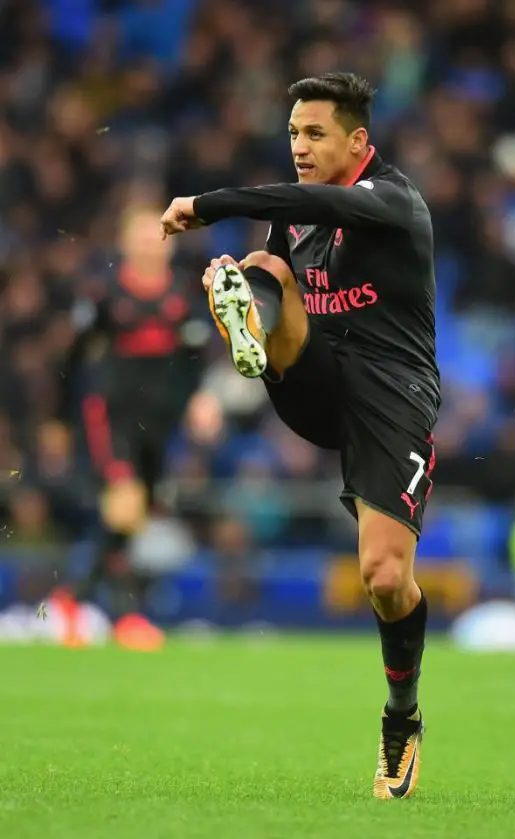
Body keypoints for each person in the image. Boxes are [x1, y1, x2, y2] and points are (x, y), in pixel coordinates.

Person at [161, 72, 440, 799]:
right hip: (315, 377)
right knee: (264, 264)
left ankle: (402, 717)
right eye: (293, 133)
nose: (300, 147)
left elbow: (316, 202)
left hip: (393, 395)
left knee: (385, 579)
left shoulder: (395, 200)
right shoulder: (298, 215)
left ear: (357, 139)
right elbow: (294, 215)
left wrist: (209, 205)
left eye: (315, 133)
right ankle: (248, 327)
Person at [58, 204, 212, 650]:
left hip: (158, 423)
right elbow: (73, 357)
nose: (150, 245)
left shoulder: (182, 295)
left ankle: (71, 600)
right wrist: (58, 420)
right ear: (125, 243)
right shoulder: (105, 293)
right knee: (125, 507)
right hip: (111, 416)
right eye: (141, 237)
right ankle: (125, 616)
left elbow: (196, 356)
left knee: (131, 519)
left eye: (156, 237)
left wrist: (201, 398)